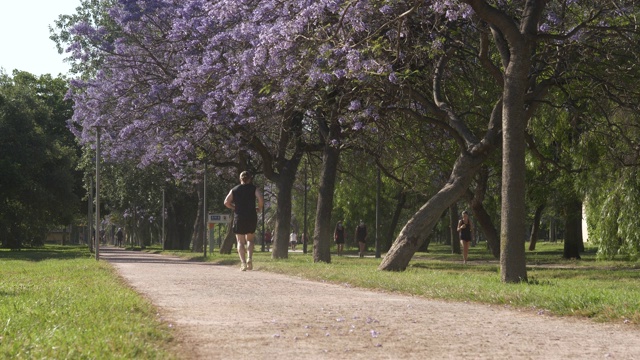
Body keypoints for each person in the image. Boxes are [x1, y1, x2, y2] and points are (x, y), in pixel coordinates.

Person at [224, 171, 264, 271]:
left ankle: (243, 263)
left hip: (239, 216)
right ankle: (249, 258)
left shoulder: (234, 189)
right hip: (251, 215)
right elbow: (261, 199)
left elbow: (226, 202)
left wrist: (234, 207)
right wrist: (259, 208)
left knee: (240, 241)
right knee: (250, 239)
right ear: (250, 179)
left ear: (240, 178)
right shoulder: (253, 188)